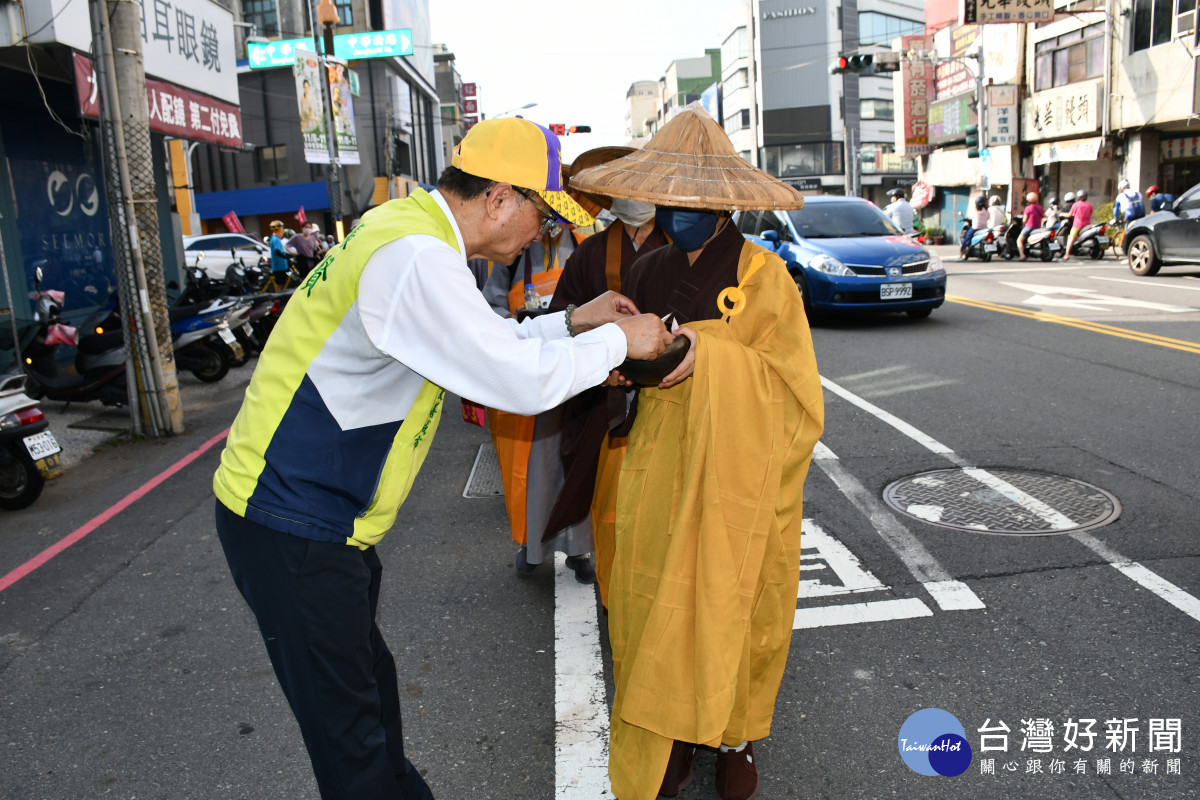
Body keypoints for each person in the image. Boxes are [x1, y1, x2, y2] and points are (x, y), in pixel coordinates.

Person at [210, 116, 674, 800]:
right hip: (294, 523)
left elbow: (482, 340)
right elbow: (511, 377)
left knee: (371, 708)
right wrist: (622, 343)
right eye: (542, 218)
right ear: (499, 199)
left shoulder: (409, 232)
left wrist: (575, 321)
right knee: (355, 749)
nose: (539, 236)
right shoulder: (416, 259)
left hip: (315, 521)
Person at [571, 104, 824, 800]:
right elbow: (616, 355)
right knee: (655, 604)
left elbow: (794, 390)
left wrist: (705, 355)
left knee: (736, 605)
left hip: (738, 472)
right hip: (656, 460)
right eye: (668, 196)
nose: (676, 209)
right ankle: (670, 733)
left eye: (692, 198)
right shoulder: (646, 272)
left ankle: (735, 735)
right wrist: (616, 364)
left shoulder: (763, 275)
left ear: (720, 205)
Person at [544, 146, 669, 605]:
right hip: (599, 387)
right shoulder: (589, 252)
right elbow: (563, 315)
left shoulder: (676, 246)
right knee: (593, 475)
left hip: (661, 386)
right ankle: (593, 558)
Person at [1063, 189, 1093, 261]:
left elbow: (1070, 215)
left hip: (1077, 225)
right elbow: (1090, 213)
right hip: (1087, 225)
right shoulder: (1089, 205)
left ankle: (1066, 255)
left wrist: (1061, 214)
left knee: (1071, 239)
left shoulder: (1076, 205)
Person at [1017, 191, 1044, 261]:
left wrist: (1023, 222)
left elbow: (1024, 220)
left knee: (1019, 240)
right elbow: (1044, 215)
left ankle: (1022, 255)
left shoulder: (1028, 208)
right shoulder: (1040, 207)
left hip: (1029, 227)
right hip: (1038, 227)